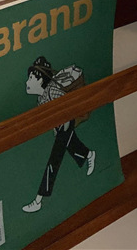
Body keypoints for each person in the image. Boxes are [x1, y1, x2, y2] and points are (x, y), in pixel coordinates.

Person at [22, 57, 95, 213]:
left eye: (31, 78)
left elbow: (67, 105)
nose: (27, 82)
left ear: (40, 79)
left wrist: (64, 127)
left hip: (66, 124)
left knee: (54, 161)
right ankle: (89, 155)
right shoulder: (41, 99)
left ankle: (39, 199)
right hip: (60, 127)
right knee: (73, 147)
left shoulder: (52, 90)